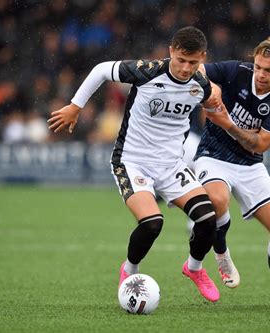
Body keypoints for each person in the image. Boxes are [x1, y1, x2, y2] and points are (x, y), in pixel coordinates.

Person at [47, 26, 221, 303]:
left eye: (193, 62)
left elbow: (213, 105)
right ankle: (129, 270)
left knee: (208, 219)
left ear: (202, 57)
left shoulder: (201, 86)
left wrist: (219, 111)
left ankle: (194, 268)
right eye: (181, 60)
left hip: (171, 165)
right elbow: (102, 70)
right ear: (171, 51)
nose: (186, 68)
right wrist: (75, 106)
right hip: (132, 161)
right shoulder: (148, 71)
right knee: (152, 223)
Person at [193, 36, 270, 309]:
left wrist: (228, 123)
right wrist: (211, 89)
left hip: (250, 164)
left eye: (269, 70)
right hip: (213, 155)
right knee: (218, 201)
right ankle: (221, 253)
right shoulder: (237, 71)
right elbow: (198, 69)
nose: (261, 75)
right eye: (258, 67)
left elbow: (260, 143)